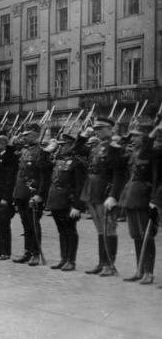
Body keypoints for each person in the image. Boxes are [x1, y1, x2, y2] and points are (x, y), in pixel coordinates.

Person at [73, 117, 125, 276]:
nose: (96, 131)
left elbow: (118, 174)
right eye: (95, 129)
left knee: (108, 228)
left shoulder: (115, 147)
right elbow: (76, 149)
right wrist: (83, 135)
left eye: (100, 128)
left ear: (110, 129)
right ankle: (102, 263)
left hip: (105, 191)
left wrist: (114, 195)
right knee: (100, 229)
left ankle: (110, 265)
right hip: (92, 189)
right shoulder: (97, 146)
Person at [119, 124, 158, 284]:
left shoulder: (152, 153)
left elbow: (156, 177)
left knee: (146, 236)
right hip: (130, 196)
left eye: (136, 136)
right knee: (136, 236)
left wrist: (154, 200)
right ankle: (139, 270)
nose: (132, 139)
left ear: (146, 136)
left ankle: (148, 272)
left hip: (144, 197)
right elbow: (115, 160)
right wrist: (119, 142)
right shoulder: (134, 153)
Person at [44, 133, 87, 272]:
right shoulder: (59, 162)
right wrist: (49, 150)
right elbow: (41, 164)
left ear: (72, 146)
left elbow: (81, 186)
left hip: (68, 202)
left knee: (70, 230)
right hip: (56, 200)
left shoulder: (78, 163)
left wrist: (77, 206)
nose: (61, 147)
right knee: (61, 230)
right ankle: (63, 259)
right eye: (60, 145)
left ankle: (71, 260)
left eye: (64, 145)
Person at [12, 123, 51, 266]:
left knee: (33, 223)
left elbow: (45, 177)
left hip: (33, 193)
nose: (24, 137)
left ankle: (35, 253)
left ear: (36, 135)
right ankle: (27, 252)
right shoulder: (24, 151)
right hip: (22, 192)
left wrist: (40, 194)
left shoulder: (41, 152)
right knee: (25, 224)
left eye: (27, 135)